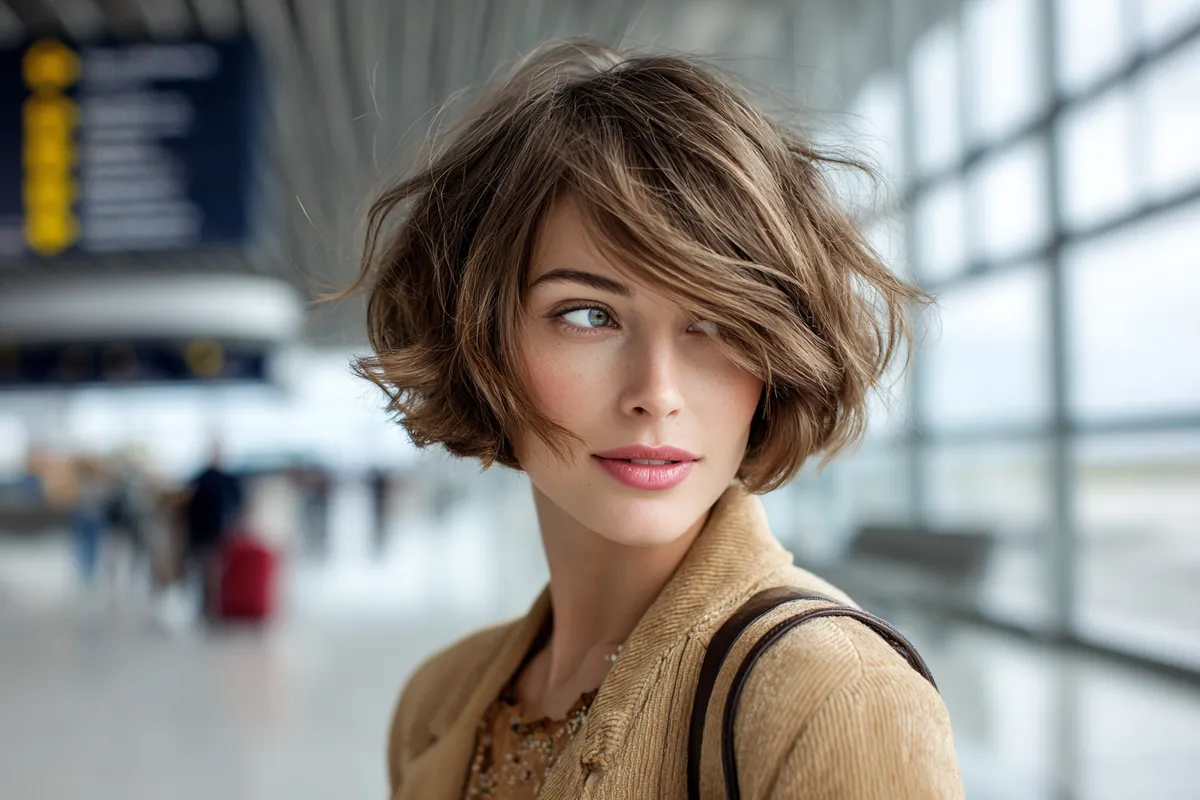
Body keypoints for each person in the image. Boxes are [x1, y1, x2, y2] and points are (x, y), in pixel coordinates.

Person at [341, 40, 963, 799]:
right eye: (589, 314)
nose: (656, 393)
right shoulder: (437, 703)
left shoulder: (834, 696)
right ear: (478, 340)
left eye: (717, 322)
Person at [182, 445, 244, 619]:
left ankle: (210, 608)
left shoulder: (222, 479)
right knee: (207, 573)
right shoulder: (205, 478)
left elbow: (237, 506)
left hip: (215, 534)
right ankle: (207, 608)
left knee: (211, 573)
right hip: (203, 533)